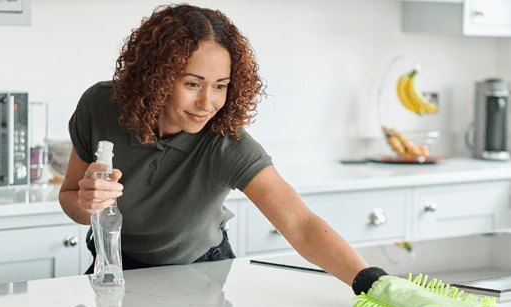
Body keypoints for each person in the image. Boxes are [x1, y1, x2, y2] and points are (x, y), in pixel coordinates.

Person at [59, 3, 373, 292]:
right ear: (156, 77)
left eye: (220, 86)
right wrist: (89, 204)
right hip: (114, 267)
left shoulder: (226, 144)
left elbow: (301, 225)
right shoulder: (100, 106)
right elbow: (70, 197)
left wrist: (370, 280)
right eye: (192, 84)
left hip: (201, 274)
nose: (207, 103)